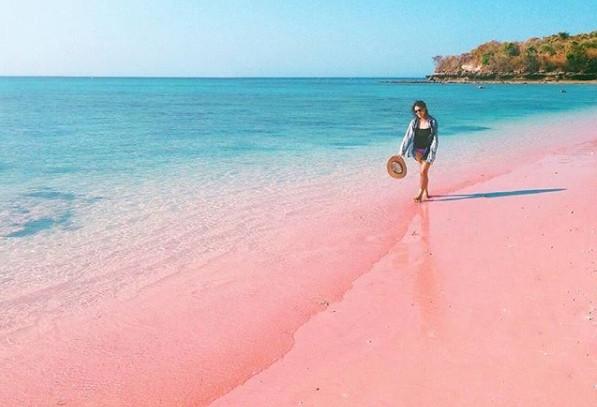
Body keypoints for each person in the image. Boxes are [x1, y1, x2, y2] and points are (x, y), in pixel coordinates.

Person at [398, 100, 439, 202]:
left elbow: (435, 138)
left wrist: (433, 153)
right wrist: (401, 152)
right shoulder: (414, 122)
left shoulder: (432, 122)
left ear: (425, 108)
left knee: (422, 172)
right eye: (416, 111)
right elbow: (408, 137)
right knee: (423, 173)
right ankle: (426, 191)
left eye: (420, 110)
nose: (418, 113)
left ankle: (420, 193)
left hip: (428, 151)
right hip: (417, 151)